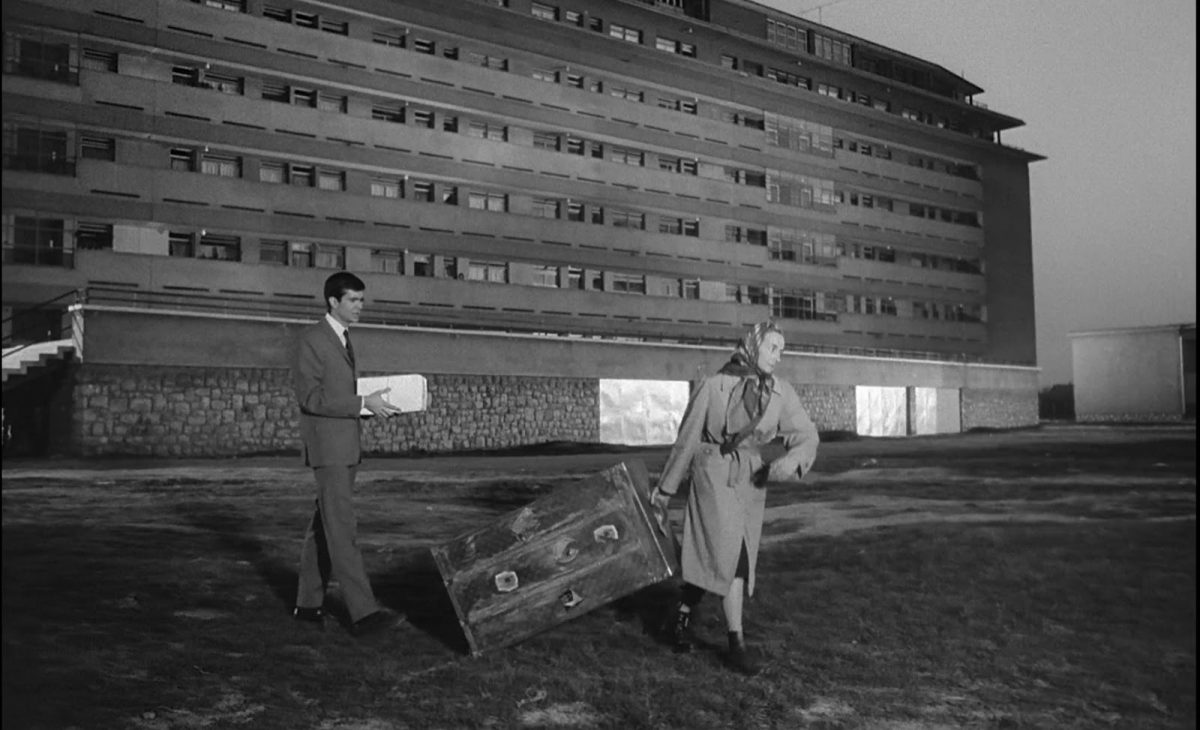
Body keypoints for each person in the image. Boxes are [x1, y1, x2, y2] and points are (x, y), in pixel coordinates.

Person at [650, 321, 819, 675]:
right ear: (753, 345)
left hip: (752, 480)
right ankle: (736, 644)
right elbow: (687, 441)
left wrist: (788, 464)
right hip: (713, 475)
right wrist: (665, 491)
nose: (778, 356)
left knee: (718, 555)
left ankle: (681, 614)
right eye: (773, 348)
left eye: (782, 351)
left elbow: (807, 434)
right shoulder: (713, 387)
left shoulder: (779, 392)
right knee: (734, 555)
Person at [292, 271, 405, 637]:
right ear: (333, 302)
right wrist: (361, 403)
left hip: (345, 447)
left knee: (324, 529)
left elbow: (339, 396)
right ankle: (363, 614)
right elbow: (310, 398)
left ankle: (307, 605)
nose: (361, 306)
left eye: (361, 299)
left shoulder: (342, 339)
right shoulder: (312, 340)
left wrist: (370, 406)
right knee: (341, 529)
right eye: (354, 300)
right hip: (330, 450)